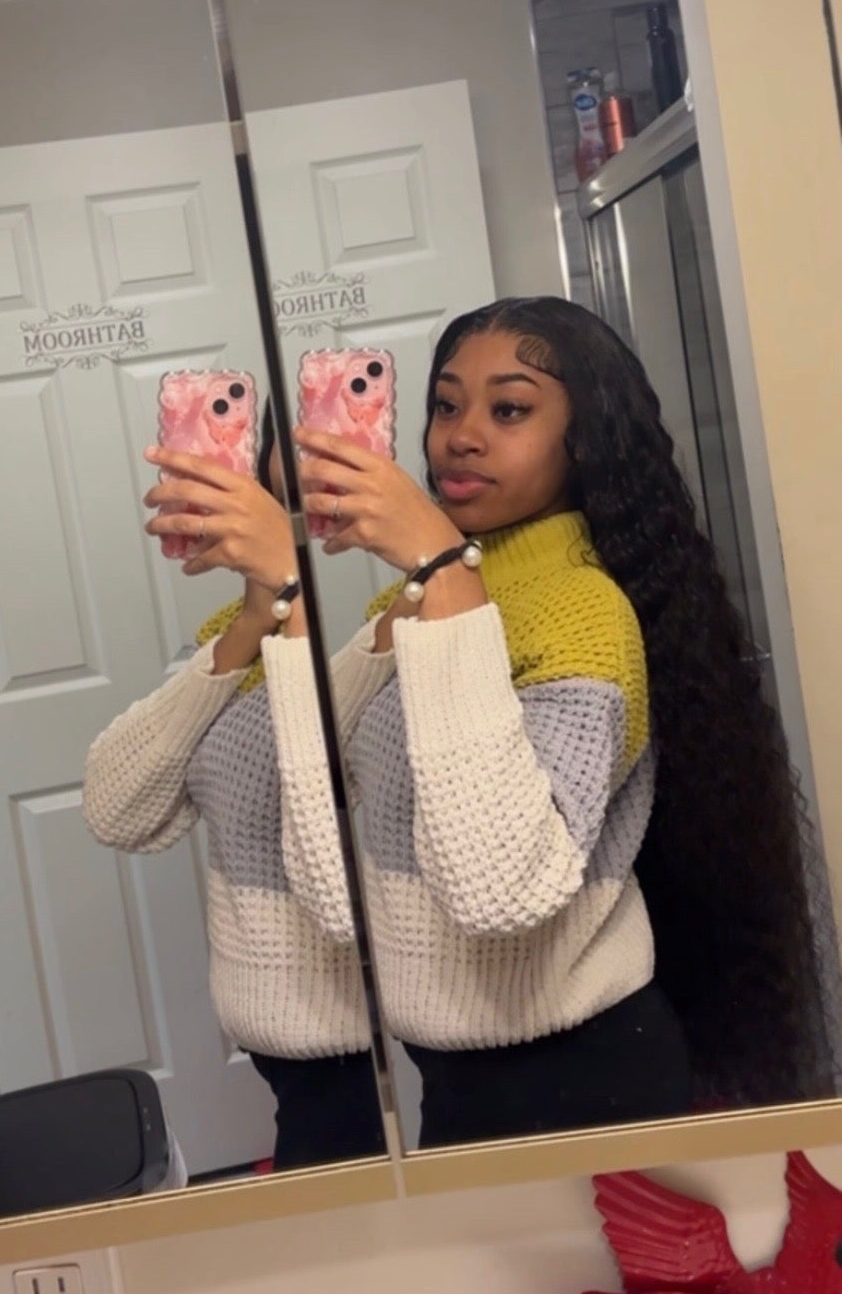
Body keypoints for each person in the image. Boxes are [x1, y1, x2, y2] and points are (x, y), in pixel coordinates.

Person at [299, 297, 833, 1147]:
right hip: (453, 1071)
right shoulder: (420, 599)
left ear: (582, 441)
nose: (461, 436)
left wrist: (441, 570)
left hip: (580, 1073)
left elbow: (501, 886)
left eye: (509, 409)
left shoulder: (580, 612)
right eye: (445, 405)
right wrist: (273, 590)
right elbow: (309, 778)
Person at [82, 405, 384, 1173]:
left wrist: (291, 610)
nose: (317, 454)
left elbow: (328, 865)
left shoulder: (409, 628)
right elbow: (115, 806)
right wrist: (254, 620)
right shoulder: (247, 638)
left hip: (369, 1029)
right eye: (293, 432)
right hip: (282, 1026)